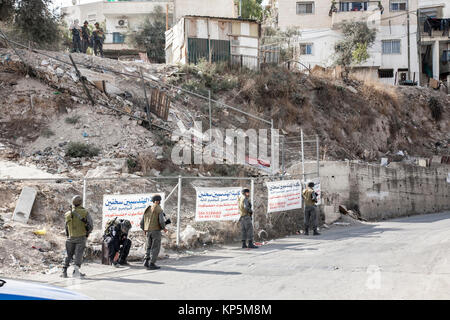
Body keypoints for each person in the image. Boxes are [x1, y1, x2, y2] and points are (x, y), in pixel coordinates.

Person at [61, 195, 93, 278]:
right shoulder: (85, 212)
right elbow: (91, 225)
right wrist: (87, 233)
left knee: (68, 255)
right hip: (81, 237)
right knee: (78, 255)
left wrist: (69, 235)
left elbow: (66, 227)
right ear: (81, 202)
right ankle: (76, 272)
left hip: (70, 237)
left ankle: (64, 272)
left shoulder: (67, 214)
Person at [142, 195, 167, 270]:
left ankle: (146, 261)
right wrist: (164, 228)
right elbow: (161, 221)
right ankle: (152, 263)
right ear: (158, 201)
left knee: (148, 246)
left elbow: (142, 221)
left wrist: (144, 229)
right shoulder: (159, 209)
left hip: (148, 231)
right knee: (155, 247)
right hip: (155, 231)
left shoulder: (148, 208)